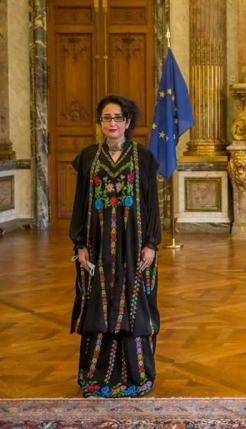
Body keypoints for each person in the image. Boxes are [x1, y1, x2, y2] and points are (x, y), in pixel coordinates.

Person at [69, 95, 161, 398]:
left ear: (128, 121)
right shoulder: (87, 158)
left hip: (133, 247)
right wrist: (80, 244)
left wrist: (151, 243)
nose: (112, 123)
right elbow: (80, 203)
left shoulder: (143, 158)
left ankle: (136, 377)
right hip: (97, 248)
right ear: (100, 122)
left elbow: (152, 205)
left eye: (118, 118)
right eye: (106, 118)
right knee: (97, 305)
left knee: (134, 306)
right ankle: (95, 379)